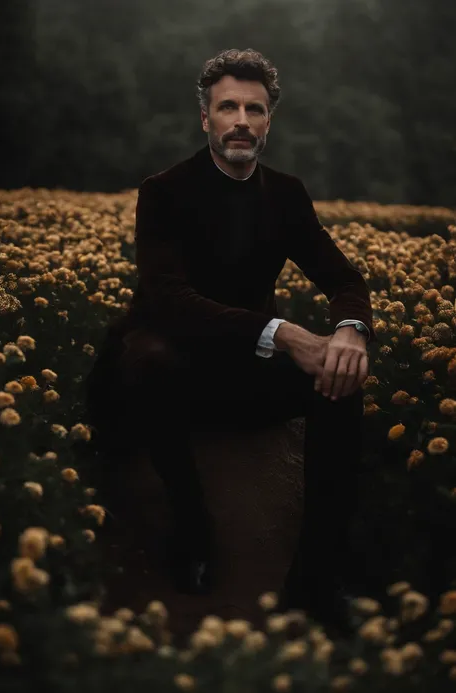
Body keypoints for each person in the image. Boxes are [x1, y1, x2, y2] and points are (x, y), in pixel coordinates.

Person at [85, 48, 377, 637]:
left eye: (254, 108)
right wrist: (285, 332)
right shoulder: (164, 191)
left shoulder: (287, 193)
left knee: (342, 381)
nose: (241, 119)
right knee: (148, 356)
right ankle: (191, 532)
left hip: (245, 369)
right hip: (175, 366)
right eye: (228, 107)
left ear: (269, 122)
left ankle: (318, 576)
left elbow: (344, 279)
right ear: (206, 120)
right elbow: (168, 300)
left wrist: (349, 331)